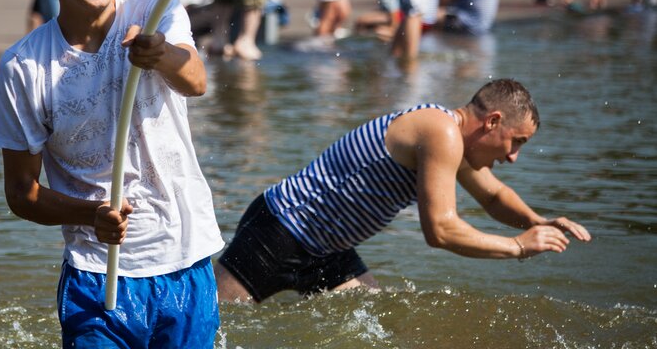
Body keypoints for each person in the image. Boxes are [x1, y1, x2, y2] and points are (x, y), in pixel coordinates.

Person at [0, 0, 223, 347]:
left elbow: (195, 81)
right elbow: (21, 194)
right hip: (97, 272)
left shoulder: (156, 13)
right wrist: (91, 215)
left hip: (185, 256)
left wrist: (161, 55)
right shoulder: (23, 66)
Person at [215, 79, 592, 303]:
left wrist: (537, 221)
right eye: (516, 142)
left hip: (327, 251)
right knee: (210, 330)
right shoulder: (441, 132)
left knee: (372, 327)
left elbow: (493, 196)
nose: (513, 157)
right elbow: (440, 230)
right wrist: (518, 246)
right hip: (279, 232)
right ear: (493, 121)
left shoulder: (452, 139)